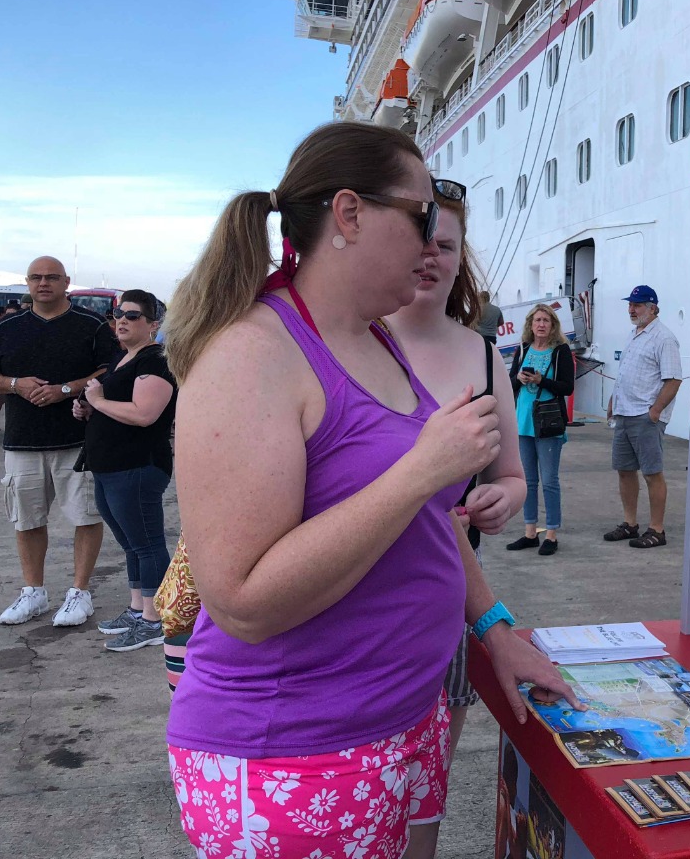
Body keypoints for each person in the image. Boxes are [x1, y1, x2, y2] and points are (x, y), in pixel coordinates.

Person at [162, 122, 579, 859]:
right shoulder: (251, 355)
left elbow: (426, 516)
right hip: (296, 753)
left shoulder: (371, 337)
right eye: (421, 216)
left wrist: (494, 631)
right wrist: (421, 467)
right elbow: (243, 602)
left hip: (402, 721)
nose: (434, 245)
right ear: (349, 215)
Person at [379, 177, 526, 859]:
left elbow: (510, 475)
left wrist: (504, 500)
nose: (430, 256)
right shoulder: (354, 341)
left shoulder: (483, 355)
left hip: (451, 607)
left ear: (461, 258)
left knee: (421, 804)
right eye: (420, 240)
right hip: (359, 607)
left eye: (446, 245)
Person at [0, 257, 116, 626]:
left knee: (86, 516)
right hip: (21, 441)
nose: (44, 283)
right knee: (26, 520)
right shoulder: (5, 327)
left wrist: (66, 389)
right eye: (37, 277)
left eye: (52, 277)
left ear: (66, 282)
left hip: (77, 439)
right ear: (27, 282)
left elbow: (110, 368)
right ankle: (33, 592)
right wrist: (15, 385)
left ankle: (80, 592)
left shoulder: (91, 325)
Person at [72, 290, 176, 652]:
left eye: (132, 315)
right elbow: (114, 406)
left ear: (153, 324)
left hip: (138, 466)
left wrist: (98, 400)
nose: (122, 320)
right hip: (109, 466)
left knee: (147, 544)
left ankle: (156, 620)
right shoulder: (122, 359)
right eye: (118, 314)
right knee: (131, 543)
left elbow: (145, 414)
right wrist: (88, 409)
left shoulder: (155, 360)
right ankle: (137, 610)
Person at [603, 285, 682, 550]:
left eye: (637, 305)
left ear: (653, 308)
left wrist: (655, 412)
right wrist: (614, 401)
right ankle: (630, 523)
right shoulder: (634, 334)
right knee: (625, 471)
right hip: (625, 413)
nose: (631, 309)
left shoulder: (664, 338)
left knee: (651, 473)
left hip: (645, 416)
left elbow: (673, 380)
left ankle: (657, 530)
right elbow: (626, 373)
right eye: (630, 304)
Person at [506, 304, 574, 556]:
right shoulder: (523, 348)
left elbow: (567, 387)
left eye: (546, 320)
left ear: (553, 325)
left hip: (548, 423)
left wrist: (541, 380)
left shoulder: (560, 351)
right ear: (530, 324)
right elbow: (509, 383)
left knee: (550, 481)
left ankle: (552, 534)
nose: (541, 324)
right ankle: (530, 533)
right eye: (537, 320)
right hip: (524, 421)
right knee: (529, 481)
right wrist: (519, 379)